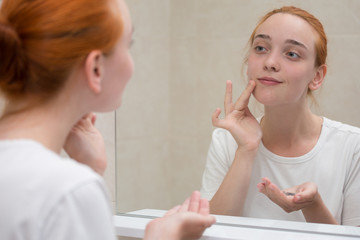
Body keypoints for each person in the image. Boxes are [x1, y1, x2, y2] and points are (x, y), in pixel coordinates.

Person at [0, 0, 215, 239]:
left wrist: (90, 168)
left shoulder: (56, 185)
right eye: (129, 45)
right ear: (95, 69)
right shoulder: (68, 192)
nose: (132, 65)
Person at [200, 6, 360, 226]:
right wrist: (246, 150)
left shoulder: (352, 148)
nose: (270, 62)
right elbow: (209, 233)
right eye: (261, 48)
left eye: (292, 54)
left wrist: (313, 205)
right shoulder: (227, 141)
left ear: (317, 76)